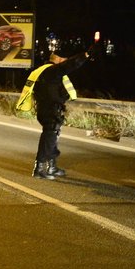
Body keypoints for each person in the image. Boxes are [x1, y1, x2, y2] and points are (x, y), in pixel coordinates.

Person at [27, 46, 94, 179]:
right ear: (57, 59)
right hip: (51, 109)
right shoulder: (52, 71)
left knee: (52, 137)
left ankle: (52, 167)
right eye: (63, 60)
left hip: (45, 108)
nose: (65, 62)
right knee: (49, 137)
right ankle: (39, 168)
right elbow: (69, 66)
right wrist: (84, 55)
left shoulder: (42, 71)